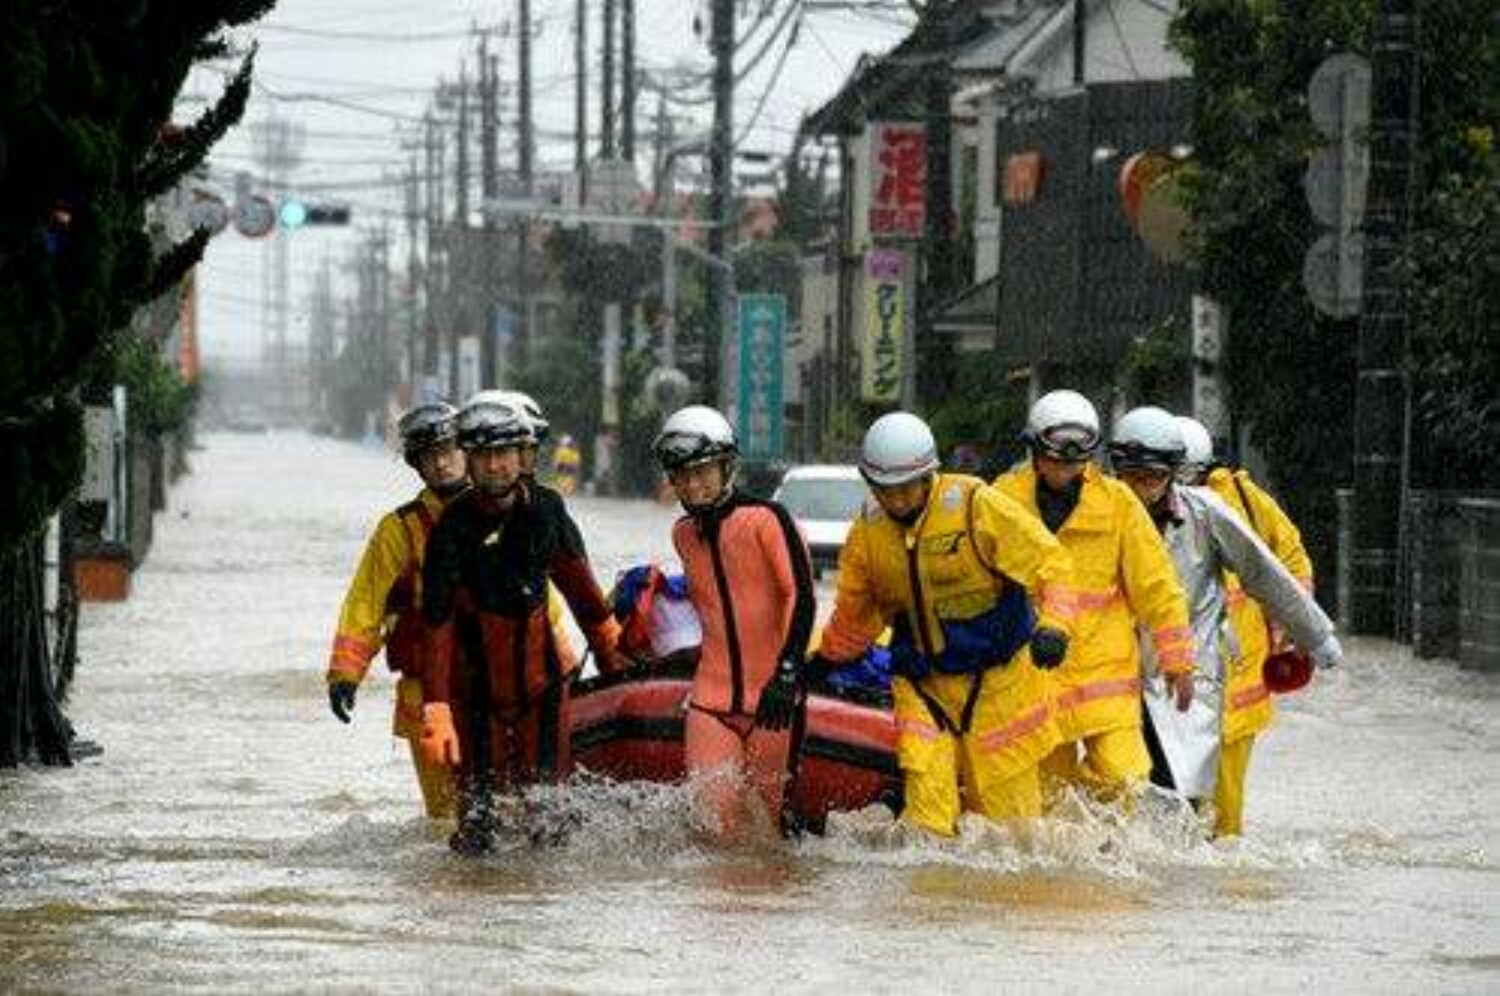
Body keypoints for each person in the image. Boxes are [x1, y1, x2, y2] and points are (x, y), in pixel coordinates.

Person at [809, 411, 1079, 837]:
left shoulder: (975, 505)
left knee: (1012, 830)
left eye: (907, 489)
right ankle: (933, 902)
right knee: (927, 822)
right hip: (923, 687)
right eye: (886, 491)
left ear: (929, 476)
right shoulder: (868, 532)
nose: (897, 502)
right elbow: (857, 613)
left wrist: (1055, 626)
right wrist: (824, 661)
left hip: (998, 686)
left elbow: (1052, 564)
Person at [1108, 406, 1342, 837]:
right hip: (1116, 679)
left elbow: (1266, 571)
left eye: (1153, 477)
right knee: (1121, 797)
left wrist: (1315, 634)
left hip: (1189, 682)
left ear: (1173, 473)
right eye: (1132, 477)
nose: (1142, 490)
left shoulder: (1207, 512)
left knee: (1187, 800)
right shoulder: (1101, 513)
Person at [418, 393, 631, 853]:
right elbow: (436, 624)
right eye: (482, 456)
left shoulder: (547, 512)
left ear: (523, 456)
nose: (494, 466)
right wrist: (436, 709)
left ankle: (540, 915)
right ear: (468, 462)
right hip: (474, 698)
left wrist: (619, 666)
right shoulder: (451, 528)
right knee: (478, 827)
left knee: (549, 821)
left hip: (543, 691)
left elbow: (585, 596)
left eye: (504, 454)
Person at [992, 391, 1194, 804]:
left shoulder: (1117, 504)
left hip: (1106, 678)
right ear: (1034, 449)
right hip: (1035, 677)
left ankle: (1105, 854)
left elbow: (1157, 587)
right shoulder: (1002, 500)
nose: (1067, 469)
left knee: (1125, 781)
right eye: (1058, 460)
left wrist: (1178, 661)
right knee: (1050, 803)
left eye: (1076, 461)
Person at [652, 405, 817, 841]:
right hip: (711, 700)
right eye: (681, 475)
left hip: (774, 701)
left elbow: (799, 596)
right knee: (712, 833)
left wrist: (787, 674)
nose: (692, 484)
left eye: (702, 471)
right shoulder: (683, 534)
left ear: (727, 466)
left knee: (770, 834)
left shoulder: (770, 520)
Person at [324, 402, 467, 819]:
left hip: (495, 687)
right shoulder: (398, 531)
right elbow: (365, 603)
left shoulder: (501, 512)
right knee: (446, 818)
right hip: (424, 694)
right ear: (417, 466)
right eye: (429, 456)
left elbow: (537, 602)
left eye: (448, 450)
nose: (441, 463)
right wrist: (345, 673)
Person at [1175, 415, 1316, 820]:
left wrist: (1293, 626)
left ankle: (1227, 881)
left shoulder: (1245, 500)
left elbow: (1293, 562)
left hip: (1236, 682)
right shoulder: (1142, 504)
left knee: (1223, 810)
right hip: (1177, 677)